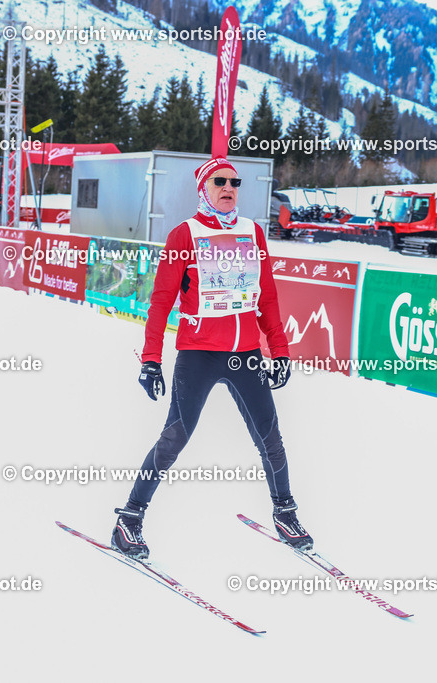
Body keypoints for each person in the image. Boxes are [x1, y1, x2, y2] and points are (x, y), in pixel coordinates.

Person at [111, 157, 313, 560]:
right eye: (219, 181)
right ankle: (129, 519)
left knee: (270, 437)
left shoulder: (252, 232)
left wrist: (280, 351)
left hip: (246, 354)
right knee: (175, 437)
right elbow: (161, 301)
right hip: (199, 353)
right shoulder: (184, 235)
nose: (229, 188)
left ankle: (285, 512)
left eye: (235, 182)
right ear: (203, 188)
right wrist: (151, 359)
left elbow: (268, 299)